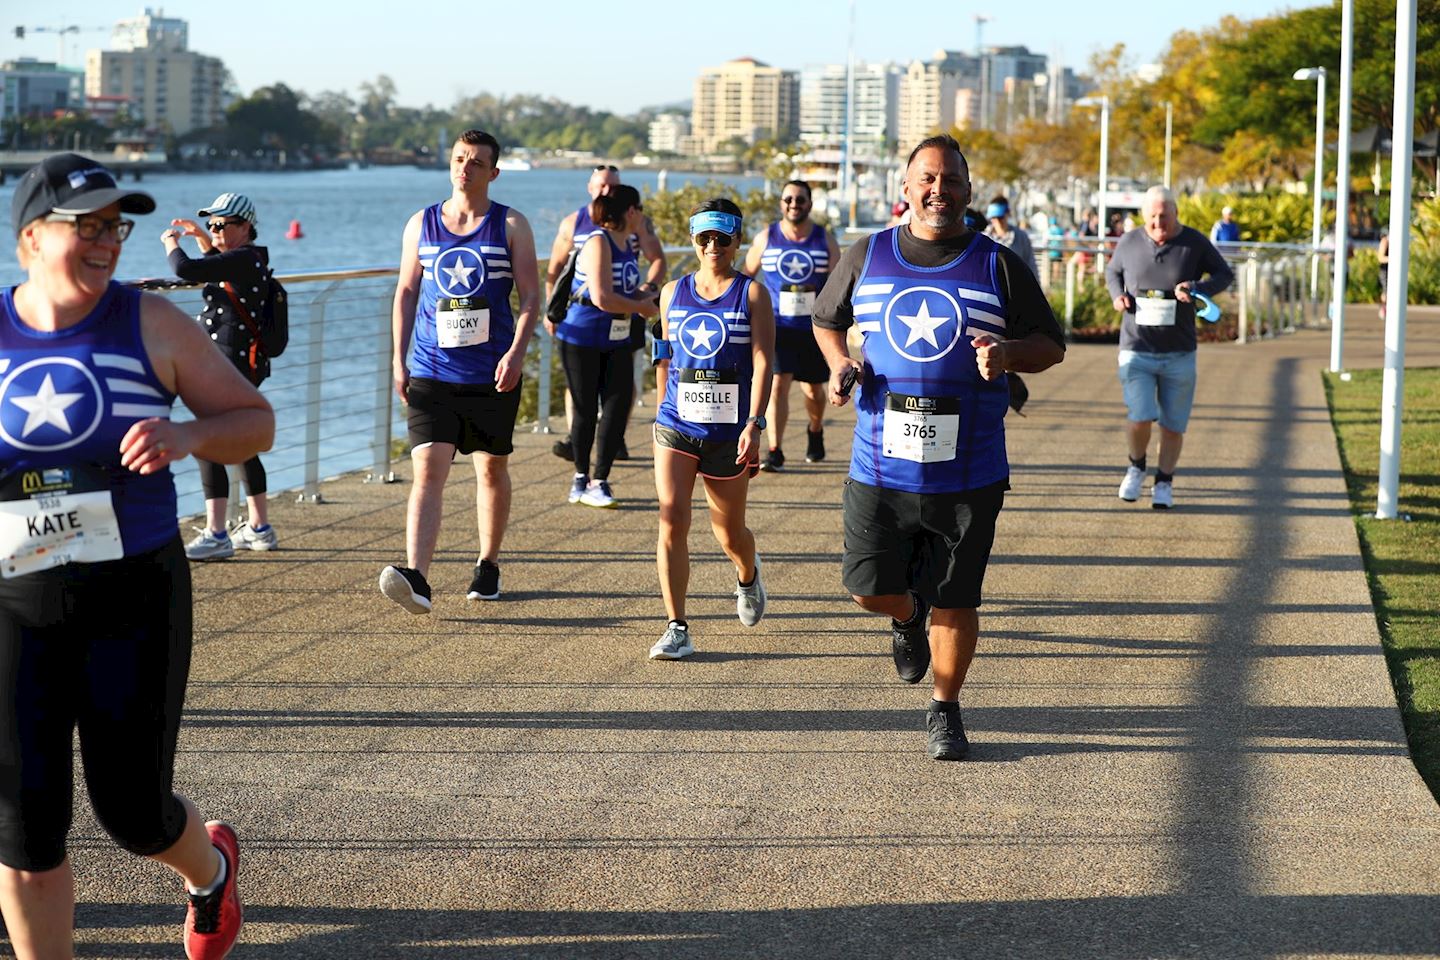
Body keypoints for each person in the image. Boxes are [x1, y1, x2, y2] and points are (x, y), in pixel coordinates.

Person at [2, 153, 274, 959]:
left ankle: (210, 869)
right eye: (85, 225)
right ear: (29, 239)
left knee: (133, 814)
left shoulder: (150, 323)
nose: (107, 242)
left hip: (134, 597)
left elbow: (253, 420)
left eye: (115, 225)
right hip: (15, 602)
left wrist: (187, 434)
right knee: (24, 831)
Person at [812, 135, 1065, 761]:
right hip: (879, 461)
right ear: (905, 188)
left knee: (958, 595)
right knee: (867, 587)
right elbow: (825, 320)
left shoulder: (997, 264)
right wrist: (840, 361)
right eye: (927, 179)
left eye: (951, 181)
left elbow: (1051, 346)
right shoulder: (867, 254)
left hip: (969, 469)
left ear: (968, 190)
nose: (938, 191)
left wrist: (1007, 355)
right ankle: (904, 616)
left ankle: (946, 708)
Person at [380, 129, 540, 613]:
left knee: (491, 469)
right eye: (458, 159)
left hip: (492, 372)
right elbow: (407, 291)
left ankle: (487, 563)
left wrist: (515, 353)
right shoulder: (421, 224)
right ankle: (418, 578)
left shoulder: (510, 224)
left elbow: (531, 297)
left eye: (475, 162)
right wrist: (398, 357)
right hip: (431, 367)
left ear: (493, 172)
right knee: (427, 467)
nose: (464, 168)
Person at [649, 198, 774, 660]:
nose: (713, 246)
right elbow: (666, 355)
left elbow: (763, 362)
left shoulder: (753, 295)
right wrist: (661, 409)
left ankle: (747, 575)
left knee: (729, 533)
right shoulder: (671, 293)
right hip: (677, 425)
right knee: (671, 519)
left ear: (737, 241)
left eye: (723, 238)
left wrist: (755, 424)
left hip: (729, 432)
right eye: (705, 238)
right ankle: (676, 626)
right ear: (694, 240)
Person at [161, 192, 278, 560]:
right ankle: (259, 527)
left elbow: (187, 271)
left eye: (220, 225)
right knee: (241, 443)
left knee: (208, 441)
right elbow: (220, 268)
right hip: (238, 363)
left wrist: (170, 244)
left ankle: (216, 533)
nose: (214, 231)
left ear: (244, 227)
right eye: (211, 224)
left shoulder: (243, 259)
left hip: (229, 365)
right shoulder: (249, 259)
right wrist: (203, 239)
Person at [1105, 185, 1234, 509]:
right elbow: (1112, 271)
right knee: (1140, 415)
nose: (1159, 224)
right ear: (1144, 216)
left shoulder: (1193, 241)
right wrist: (1117, 294)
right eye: (1153, 218)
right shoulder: (1130, 241)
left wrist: (1197, 287)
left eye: (1165, 216)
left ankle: (1164, 481)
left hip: (1179, 351)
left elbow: (1224, 273)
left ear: (1176, 213)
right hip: (1136, 347)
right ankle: (1136, 466)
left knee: (1173, 424)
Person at [545, 165, 667, 460]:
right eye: (601, 186)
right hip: (584, 318)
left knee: (624, 386)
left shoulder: (636, 221)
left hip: (625, 313)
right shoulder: (573, 223)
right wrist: (551, 311)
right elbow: (554, 271)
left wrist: (646, 289)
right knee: (580, 387)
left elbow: (658, 259)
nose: (606, 192)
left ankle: (615, 438)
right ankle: (579, 443)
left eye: (612, 187)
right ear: (590, 187)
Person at [742, 179, 838, 470]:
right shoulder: (766, 237)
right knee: (778, 386)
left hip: (813, 328)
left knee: (813, 391)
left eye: (800, 200)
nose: (793, 204)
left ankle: (816, 429)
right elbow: (745, 277)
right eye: (788, 199)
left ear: (809, 204)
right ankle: (775, 449)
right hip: (776, 326)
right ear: (781, 203)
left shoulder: (824, 239)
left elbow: (839, 283)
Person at [982, 196, 1037, 278]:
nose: (997, 221)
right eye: (993, 217)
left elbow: (1031, 265)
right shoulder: (983, 238)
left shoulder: (1021, 237)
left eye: (1000, 217)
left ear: (1008, 214)